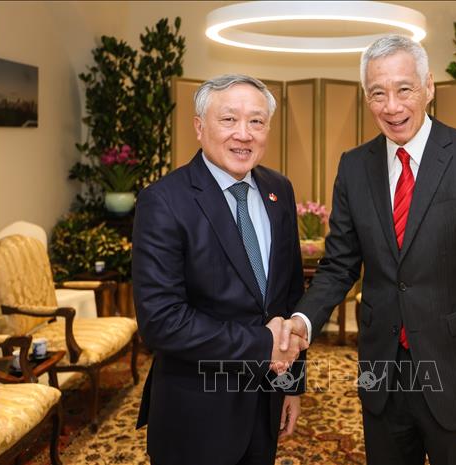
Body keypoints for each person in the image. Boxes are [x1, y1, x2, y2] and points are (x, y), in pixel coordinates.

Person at [280, 35, 456, 464]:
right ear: (365, 98)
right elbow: (339, 266)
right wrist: (303, 321)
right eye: (378, 94)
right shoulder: (354, 165)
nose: (391, 107)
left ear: (428, 87)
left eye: (404, 89)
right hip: (382, 376)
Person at [132, 74, 308, 465]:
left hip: (265, 403)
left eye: (256, 121)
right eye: (228, 119)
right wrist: (262, 344)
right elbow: (161, 321)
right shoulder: (163, 201)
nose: (243, 134)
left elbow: (290, 297)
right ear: (199, 127)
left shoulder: (279, 190)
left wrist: (291, 385)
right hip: (197, 415)